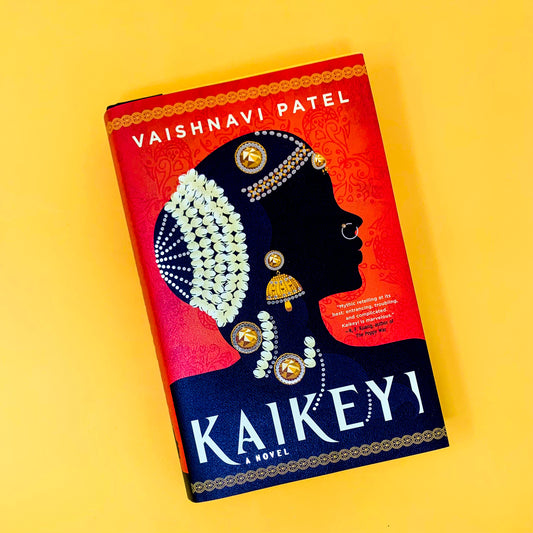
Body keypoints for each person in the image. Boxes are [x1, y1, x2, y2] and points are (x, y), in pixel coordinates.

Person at [154, 130, 446, 498]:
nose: (351, 217)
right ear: (269, 248)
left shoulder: (410, 364)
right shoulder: (196, 401)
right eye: (319, 209)